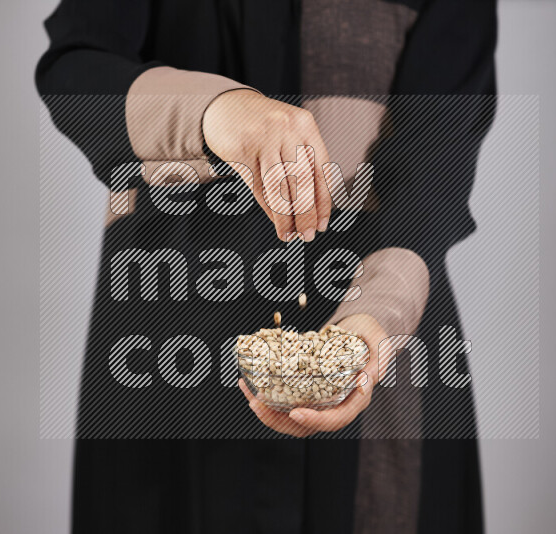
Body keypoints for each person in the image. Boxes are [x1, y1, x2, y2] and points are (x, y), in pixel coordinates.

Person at [36, 0, 497, 532]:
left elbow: (435, 160)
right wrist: (216, 111)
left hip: (386, 324)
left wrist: (372, 322)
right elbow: (76, 67)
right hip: (166, 329)